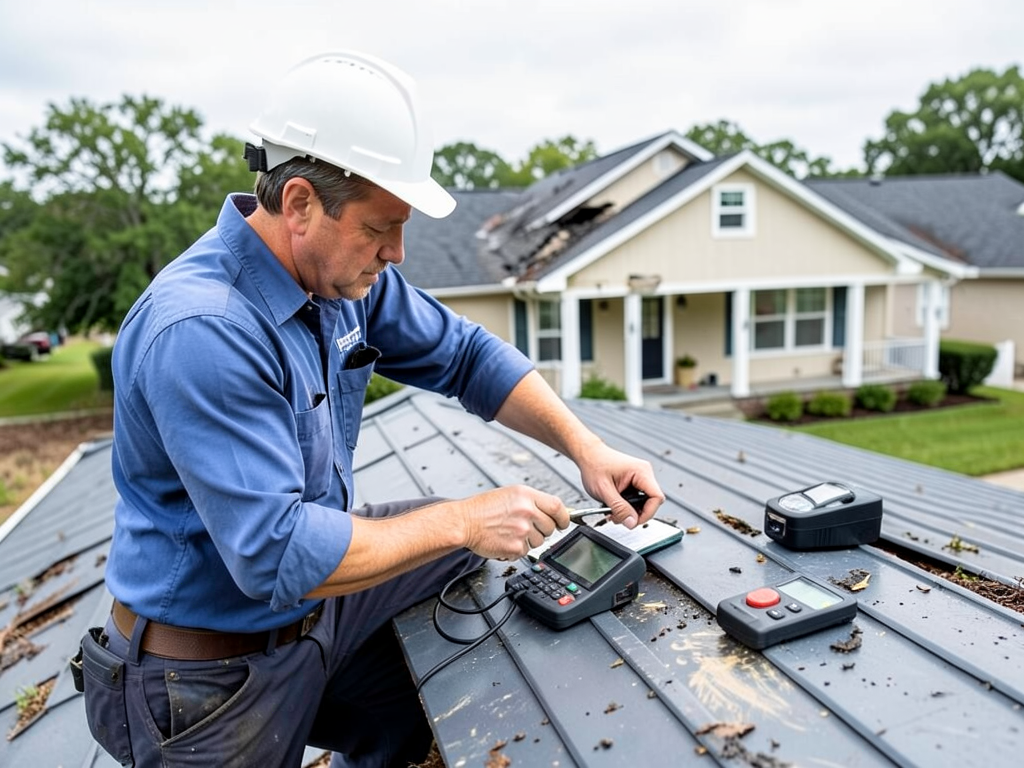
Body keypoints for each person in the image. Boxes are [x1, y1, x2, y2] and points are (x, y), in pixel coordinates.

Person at [80, 50, 663, 768]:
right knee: (458, 526)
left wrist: (585, 447)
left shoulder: (340, 277)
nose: (397, 251)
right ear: (299, 203)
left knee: (439, 609)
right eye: (380, 227)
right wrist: (466, 520)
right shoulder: (204, 330)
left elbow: (468, 356)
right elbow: (278, 555)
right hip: (205, 677)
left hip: (310, 617)